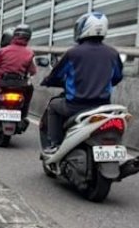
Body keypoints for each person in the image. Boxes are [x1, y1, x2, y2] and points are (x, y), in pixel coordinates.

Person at [40, 11, 123, 154]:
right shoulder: (113, 53)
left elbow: (56, 75)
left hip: (75, 106)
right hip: (103, 107)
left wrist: (47, 81)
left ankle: (54, 144)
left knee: (53, 107)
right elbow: (117, 77)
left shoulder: (73, 53)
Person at [0, 24, 37, 113]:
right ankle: (24, 112)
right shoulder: (30, 53)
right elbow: (33, 71)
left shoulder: (3, 51)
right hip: (20, 85)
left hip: (3, 83)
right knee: (30, 90)